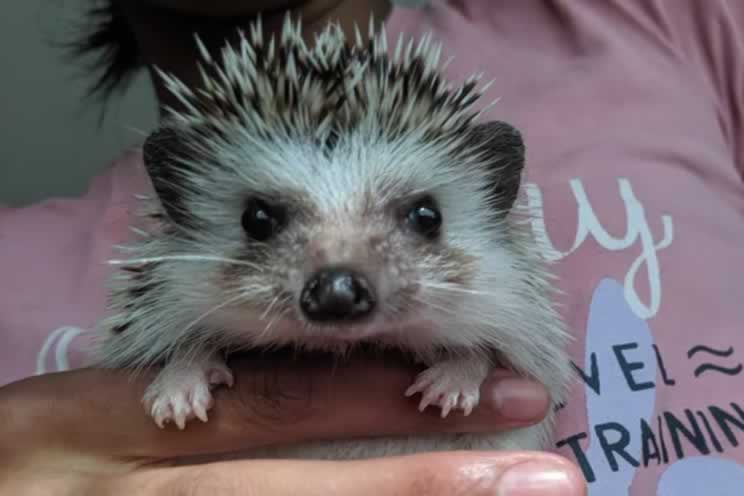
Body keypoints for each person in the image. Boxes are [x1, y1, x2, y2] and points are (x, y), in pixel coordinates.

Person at [1, 0, 743, 494]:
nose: (339, 280)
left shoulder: (664, 20)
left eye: (419, 218)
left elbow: (529, 366)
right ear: (182, 205)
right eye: (263, 223)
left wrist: (467, 360)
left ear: (494, 194)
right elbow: (152, 350)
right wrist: (186, 365)